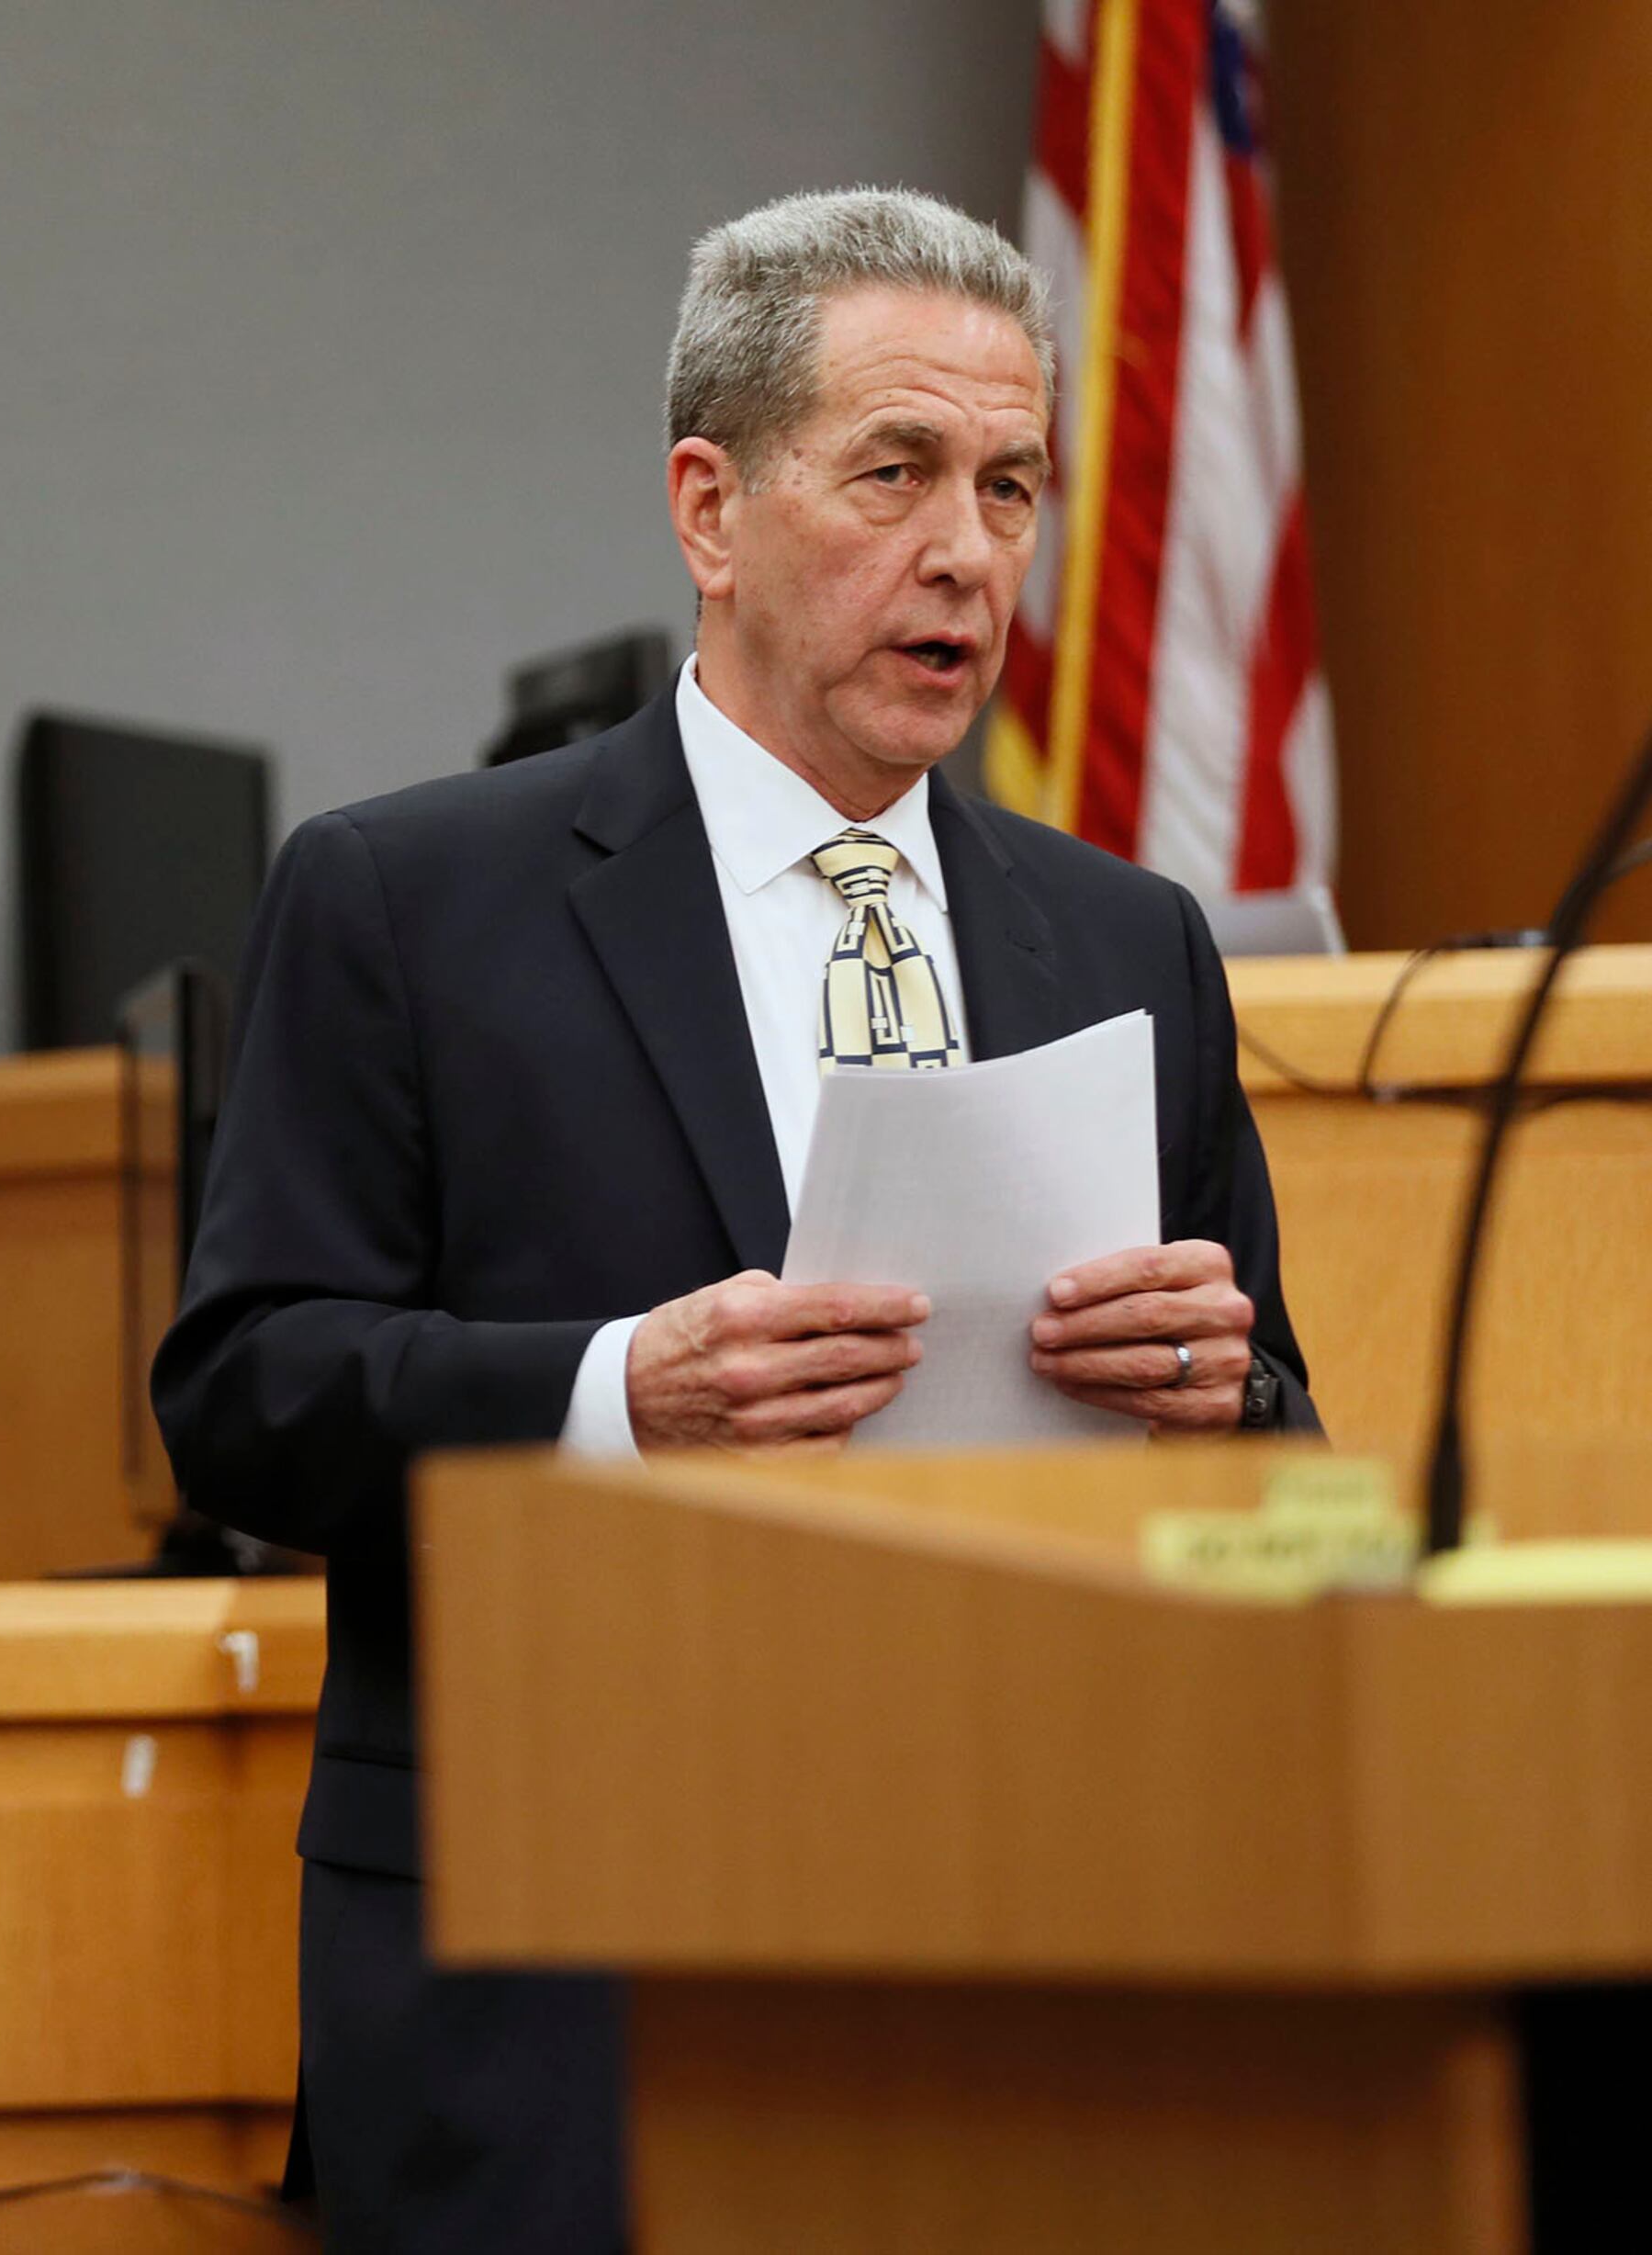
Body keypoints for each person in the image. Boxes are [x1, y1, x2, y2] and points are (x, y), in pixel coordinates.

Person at [152, 188, 1316, 2253]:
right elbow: (244, 1397)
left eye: (1014, 485)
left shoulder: (1127, 941)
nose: (968, 551)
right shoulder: (412, 903)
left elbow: (1298, 1449)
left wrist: (1219, 1411)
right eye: (899, 473)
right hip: (564, 1978)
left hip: (1028, 1957)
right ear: (711, 505)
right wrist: (616, 1394)